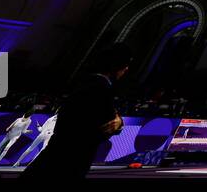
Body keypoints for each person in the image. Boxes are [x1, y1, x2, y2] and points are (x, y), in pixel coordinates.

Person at [21, 43, 131, 180]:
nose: (126, 69)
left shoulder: (86, 82)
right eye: (124, 65)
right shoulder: (101, 88)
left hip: (61, 151)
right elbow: (107, 126)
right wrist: (118, 123)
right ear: (114, 66)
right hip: (72, 157)